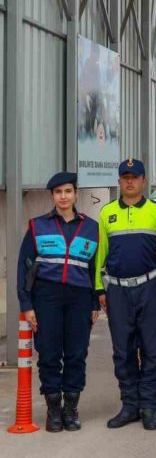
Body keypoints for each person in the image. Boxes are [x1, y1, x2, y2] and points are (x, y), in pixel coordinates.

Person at [16, 172, 100, 432]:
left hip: (79, 298)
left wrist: (94, 303)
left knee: (76, 353)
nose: (63, 197)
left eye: (68, 191)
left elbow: (94, 269)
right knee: (49, 354)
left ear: (75, 194)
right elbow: (23, 269)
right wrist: (26, 305)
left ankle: (71, 409)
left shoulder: (91, 227)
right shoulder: (37, 225)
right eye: (58, 192)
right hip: (46, 297)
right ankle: (53, 409)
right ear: (52, 196)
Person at [98, 159, 156, 431]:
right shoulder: (106, 213)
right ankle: (130, 406)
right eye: (125, 177)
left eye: (135, 177)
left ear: (143, 181)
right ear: (119, 181)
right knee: (123, 351)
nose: (130, 181)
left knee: (151, 350)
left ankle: (149, 406)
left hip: (150, 288)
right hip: (117, 291)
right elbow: (100, 255)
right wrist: (99, 289)